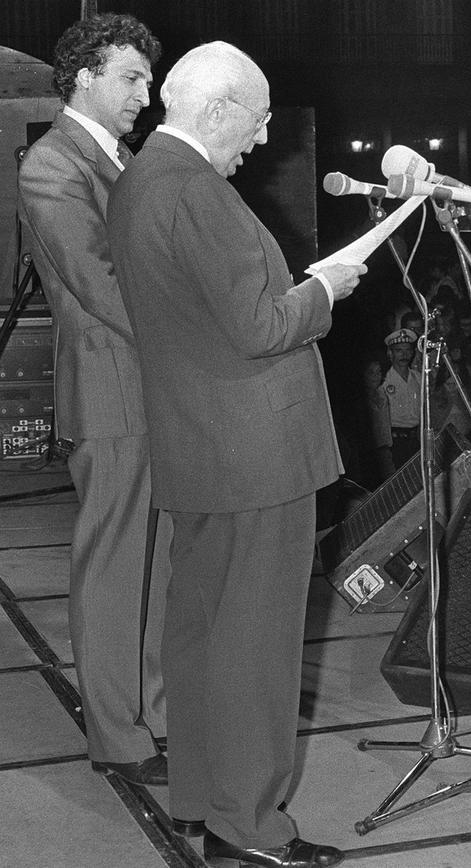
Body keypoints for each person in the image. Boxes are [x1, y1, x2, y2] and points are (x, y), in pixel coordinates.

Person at [108, 41, 365, 867]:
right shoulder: (196, 189)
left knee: (201, 635)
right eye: (256, 122)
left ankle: (201, 800)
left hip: (200, 446)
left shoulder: (142, 179)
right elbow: (258, 326)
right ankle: (249, 829)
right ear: (217, 109)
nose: (260, 139)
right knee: (255, 647)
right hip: (256, 454)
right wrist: (323, 291)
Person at [17, 13, 171, 787]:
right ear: (83, 75)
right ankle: (118, 735)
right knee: (114, 570)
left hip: (157, 390)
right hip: (113, 391)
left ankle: (158, 714)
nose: (146, 92)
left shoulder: (122, 157)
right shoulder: (53, 163)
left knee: (158, 567)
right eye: (131, 77)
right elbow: (101, 284)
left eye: (150, 78)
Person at [373, 328, 422, 474]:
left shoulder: (418, 377)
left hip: (417, 438)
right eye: (399, 350)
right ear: (390, 353)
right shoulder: (384, 380)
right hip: (395, 441)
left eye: (408, 350)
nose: (404, 355)